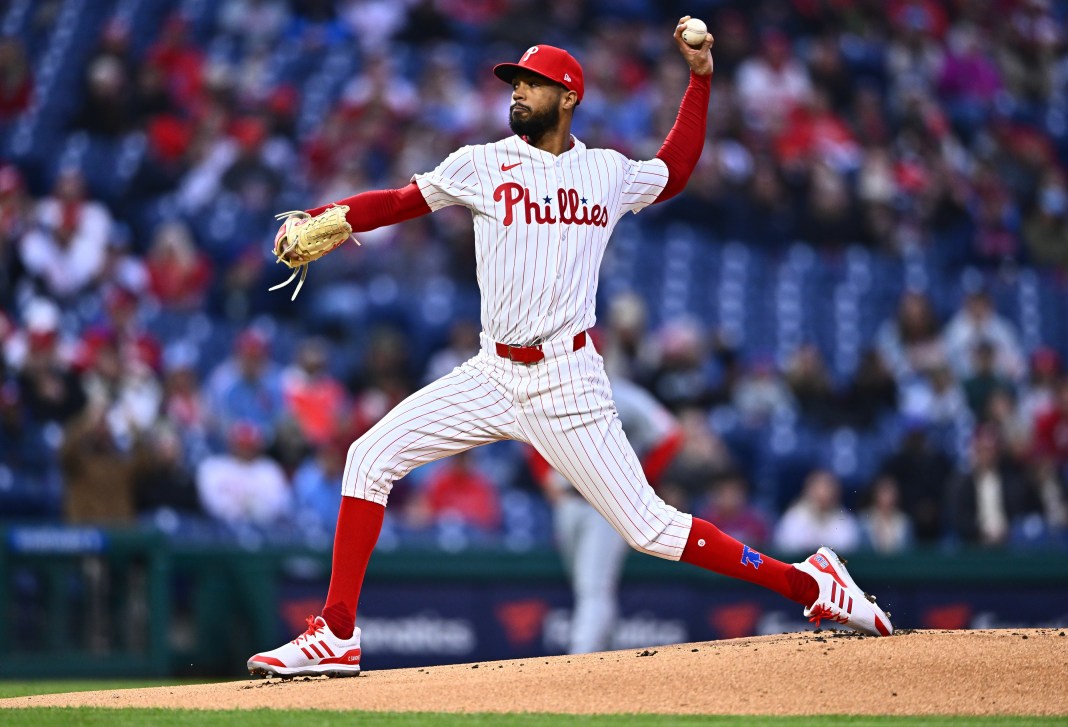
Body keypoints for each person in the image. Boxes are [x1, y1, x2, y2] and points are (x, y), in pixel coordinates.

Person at [248, 18, 892, 680]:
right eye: (515, 82)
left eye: (533, 83)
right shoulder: (481, 162)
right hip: (492, 372)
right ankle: (338, 634)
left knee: (650, 530)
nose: (518, 92)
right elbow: (401, 199)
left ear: (569, 97)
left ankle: (811, 585)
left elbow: (674, 170)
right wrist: (334, 217)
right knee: (368, 455)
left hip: (568, 381)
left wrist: (700, 81)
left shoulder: (605, 173)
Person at [527, 377, 683, 655]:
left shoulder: (622, 394)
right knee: (588, 587)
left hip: (607, 503)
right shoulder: (551, 392)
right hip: (569, 501)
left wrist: (641, 481)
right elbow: (530, 434)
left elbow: (670, 434)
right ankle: (608, 658)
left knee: (593, 587)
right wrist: (544, 478)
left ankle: (580, 660)